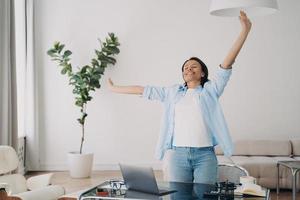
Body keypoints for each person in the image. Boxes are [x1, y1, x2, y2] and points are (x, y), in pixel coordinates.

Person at [108, 11, 252, 184]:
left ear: (202, 73)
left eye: (194, 66)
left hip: (205, 155)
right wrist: (114, 88)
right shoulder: (172, 93)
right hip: (177, 156)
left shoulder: (210, 91)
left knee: (204, 196)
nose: (188, 69)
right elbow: (142, 89)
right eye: (185, 67)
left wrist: (245, 30)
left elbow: (227, 64)